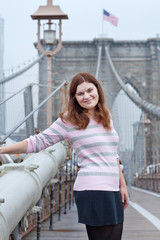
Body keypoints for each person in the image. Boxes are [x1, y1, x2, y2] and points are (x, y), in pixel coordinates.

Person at [0, 72, 128, 240]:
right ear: (74, 98)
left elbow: (113, 155)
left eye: (90, 90)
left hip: (111, 189)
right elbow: (37, 142)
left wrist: (122, 185)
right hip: (92, 189)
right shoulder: (69, 120)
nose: (87, 96)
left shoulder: (105, 116)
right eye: (80, 93)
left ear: (98, 89)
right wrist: (1, 150)